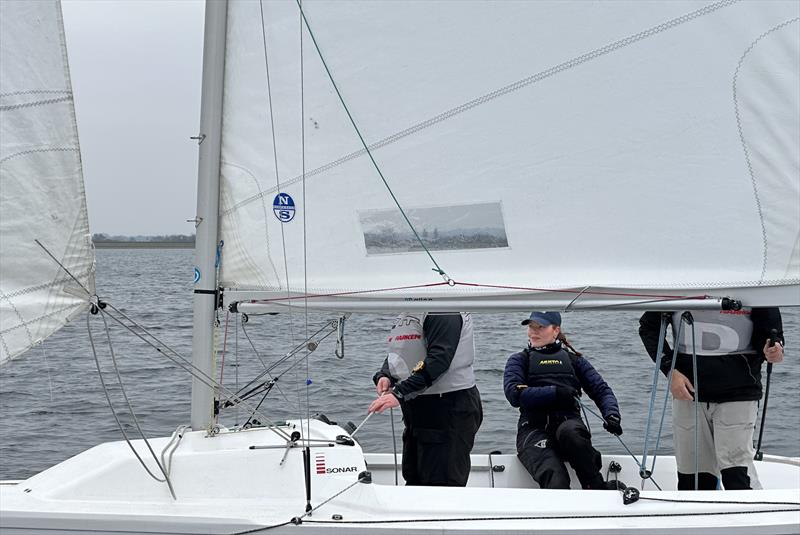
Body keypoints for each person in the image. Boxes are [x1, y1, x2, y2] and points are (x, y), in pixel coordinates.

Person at [638, 308, 784, 490]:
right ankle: (696, 518)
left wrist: (774, 350)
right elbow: (649, 328)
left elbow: (773, 335)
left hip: (738, 393)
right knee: (693, 479)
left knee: (737, 474)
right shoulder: (675, 282)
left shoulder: (753, 283)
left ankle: (753, 517)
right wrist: (669, 370)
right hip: (688, 394)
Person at [503, 311, 625, 490]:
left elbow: (601, 390)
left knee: (572, 433)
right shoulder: (519, 360)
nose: (533, 332)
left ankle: (596, 488)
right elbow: (514, 395)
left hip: (569, 426)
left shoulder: (574, 361)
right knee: (556, 479)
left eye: (540, 327)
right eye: (531, 326)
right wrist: (555, 393)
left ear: (555, 330)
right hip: (533, 430)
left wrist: (612, 415)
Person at [368, 312, 483, 486]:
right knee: (414, 478)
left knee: (442, 484)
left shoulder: (444, 310)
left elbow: (440, 359)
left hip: (448, 408)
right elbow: (402, 350)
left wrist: (400, 393)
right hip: (419, 409)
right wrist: (386, 375)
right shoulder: (409, 309)